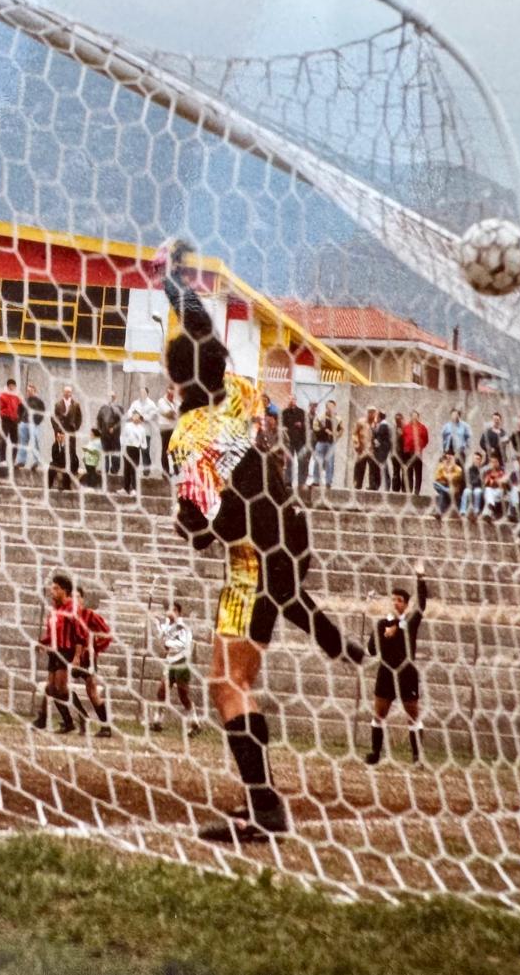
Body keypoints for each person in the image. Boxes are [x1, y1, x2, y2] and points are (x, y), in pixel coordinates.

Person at [153, 239, 362, 842]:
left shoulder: (186, 439)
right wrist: (174, 282)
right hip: (290, 537)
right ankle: (263, 803)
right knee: (237, 680)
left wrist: (186, 524)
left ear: (173, 378)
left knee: (227, 687)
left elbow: (201, 528)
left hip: (251, 562)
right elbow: (202, 332)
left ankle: (265, 809)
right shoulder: (241, 394)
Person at [366, 565, 429, 766]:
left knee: (412, 715)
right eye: (393, 599)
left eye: (399, 600)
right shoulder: (381, 624)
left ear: (406, 605)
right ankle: (375, 753)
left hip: (406, 674)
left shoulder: (410, 621)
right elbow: (372, 650)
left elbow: (422, 604)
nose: (395, 603)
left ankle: (417, 756)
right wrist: (379, 635)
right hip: (386, 673)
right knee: (379, 714)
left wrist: (420, 578)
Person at [32, 573, 81, 734]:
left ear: (64, 591)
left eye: (56, 588)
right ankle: (60, 721)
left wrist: (77, 656)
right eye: (52, 588)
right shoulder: (55, 608)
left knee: (60, 689)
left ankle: (81, 716)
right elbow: (52, 633)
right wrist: (42, 642)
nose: (52, 591)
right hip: (54, 652)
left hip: (66, 652)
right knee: (51, 688)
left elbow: (80, 635)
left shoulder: (72, 608)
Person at [69, 585, 114, 737]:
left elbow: (107, 634)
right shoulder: (67, 616)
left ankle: (106, 727)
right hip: (70, 658)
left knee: (92, 691)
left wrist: (94, 647)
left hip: (87, 659)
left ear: (82, 599)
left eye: (77, 597)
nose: (74, 600)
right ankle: (82, 717)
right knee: (61, 687)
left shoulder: (89, 615)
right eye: (72, 597)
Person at [149, 601, 199, 735]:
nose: (170, 612)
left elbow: (184, 644)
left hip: (181, 662)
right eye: (169, 609)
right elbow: (160, 636)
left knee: (183, 695)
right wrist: (155, 623)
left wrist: (168, 643)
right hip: (170, 661)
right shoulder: (167, 625)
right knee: (161, 692)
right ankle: (157, 721)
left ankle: (195, 722)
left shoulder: (183, 627)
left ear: (178, 612)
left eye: (174, 610)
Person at [309, 400, 340, 488]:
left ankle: (328, 482)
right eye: (329, 406)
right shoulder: (320, 417)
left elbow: (340, 430)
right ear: (326, 407)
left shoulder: (337, 419)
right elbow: (315, 427)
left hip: (331, 443)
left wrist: (335, 435)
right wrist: (323, 431)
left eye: (332, 406)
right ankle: (316, 480)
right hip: (321, 442)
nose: (330, 408)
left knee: (330, 463)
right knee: (318, 461)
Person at [280, 397, 308, 491]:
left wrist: (301, 425)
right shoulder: (284, 413)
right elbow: (281, 425)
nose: (292, 401)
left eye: (293, 399)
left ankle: (301, 482)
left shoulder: (301, 412)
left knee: (302, 462)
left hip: (300, 441)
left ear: (296, 401)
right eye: (290, 399)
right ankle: (288, 482)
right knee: (289, 462)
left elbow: (306, 425)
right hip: (289, 441)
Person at [95, 393, 123, 487]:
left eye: (112, 397)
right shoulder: (103, 408)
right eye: (108, 397)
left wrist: (114, 428)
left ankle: (115, 469)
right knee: (105, 452)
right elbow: (98, 419)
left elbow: (121, 421)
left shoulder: (119, 408)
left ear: (115, 398)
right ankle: (105, 469)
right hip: (104, 434)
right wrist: (99, 429)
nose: (110, 399)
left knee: (115, 452)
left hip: (115, 434)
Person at [401, 410, 430, 495]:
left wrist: (421, 446)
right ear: (410, 417)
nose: (414, 418)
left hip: (417, 452)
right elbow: (402, 438)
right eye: (413, 416)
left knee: (418, 471)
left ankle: (417, 491)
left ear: (418, 417)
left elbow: (426, 439)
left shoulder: (422, 427)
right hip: (408, 452)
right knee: (409, 471)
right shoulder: (406, 427)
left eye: (416, 416)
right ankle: (409, 490)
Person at [120, 405, 147, 494]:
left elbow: (144, 442)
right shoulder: (127, 426)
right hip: (128, 448)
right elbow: (122, 437)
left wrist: (141, 446)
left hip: (136, 450)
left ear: (140, 416)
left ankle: (134, 489)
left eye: (137, 415)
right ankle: (125, 488)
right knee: (126, 469)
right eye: (134, 414)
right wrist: (123, 446)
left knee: (134, 469)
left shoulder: (142, 429)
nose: (135, 416)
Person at [0, 379, 23, 466]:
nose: (12, 387)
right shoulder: (3, 395)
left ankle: (13, 459)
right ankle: (2, 459)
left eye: (14, 386)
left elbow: (21, 407)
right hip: (5, 419)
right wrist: (3, 415)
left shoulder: (17, 396)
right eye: (11, 386)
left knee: (15, 440)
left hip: (14, 420)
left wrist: (19, 418)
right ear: (8, 386)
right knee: (3, 439)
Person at [430, 451, 463, 519]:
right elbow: (437, 478)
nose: (448, 460)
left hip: (454, 490)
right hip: (445, 487)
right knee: (435, 484)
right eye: (447, 458)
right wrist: (444, 469)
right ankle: (447, 490)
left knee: (442, 493)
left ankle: (439, 512)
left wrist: (446, 473)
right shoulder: (442, 466)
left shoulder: (458, 469)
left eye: (450, 458)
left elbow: (451, 478)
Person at [460, 450, 487, 519]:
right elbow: (470, 481)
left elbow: (483, 482)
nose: (476, 461)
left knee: (477, 491)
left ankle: (476, 511)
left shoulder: (482, 470)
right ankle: (463, 511)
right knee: (466, 491)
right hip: (471, 487)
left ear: (480, 461)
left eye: (478, 459)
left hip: (479, 488)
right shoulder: (470, 469)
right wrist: (478, 479)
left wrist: (478, 481)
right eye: (475, 459)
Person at [351, 410, 374, 490]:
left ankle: (372, 486)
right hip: (362, 448)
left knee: (373, 468)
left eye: (373, 413)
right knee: (359, 467)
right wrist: (356, 444)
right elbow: (354, 433)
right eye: (370, 412)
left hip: (372, 450)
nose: (371, 414)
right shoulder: (361, 422)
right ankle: (357, 484)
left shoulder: (375, 423)